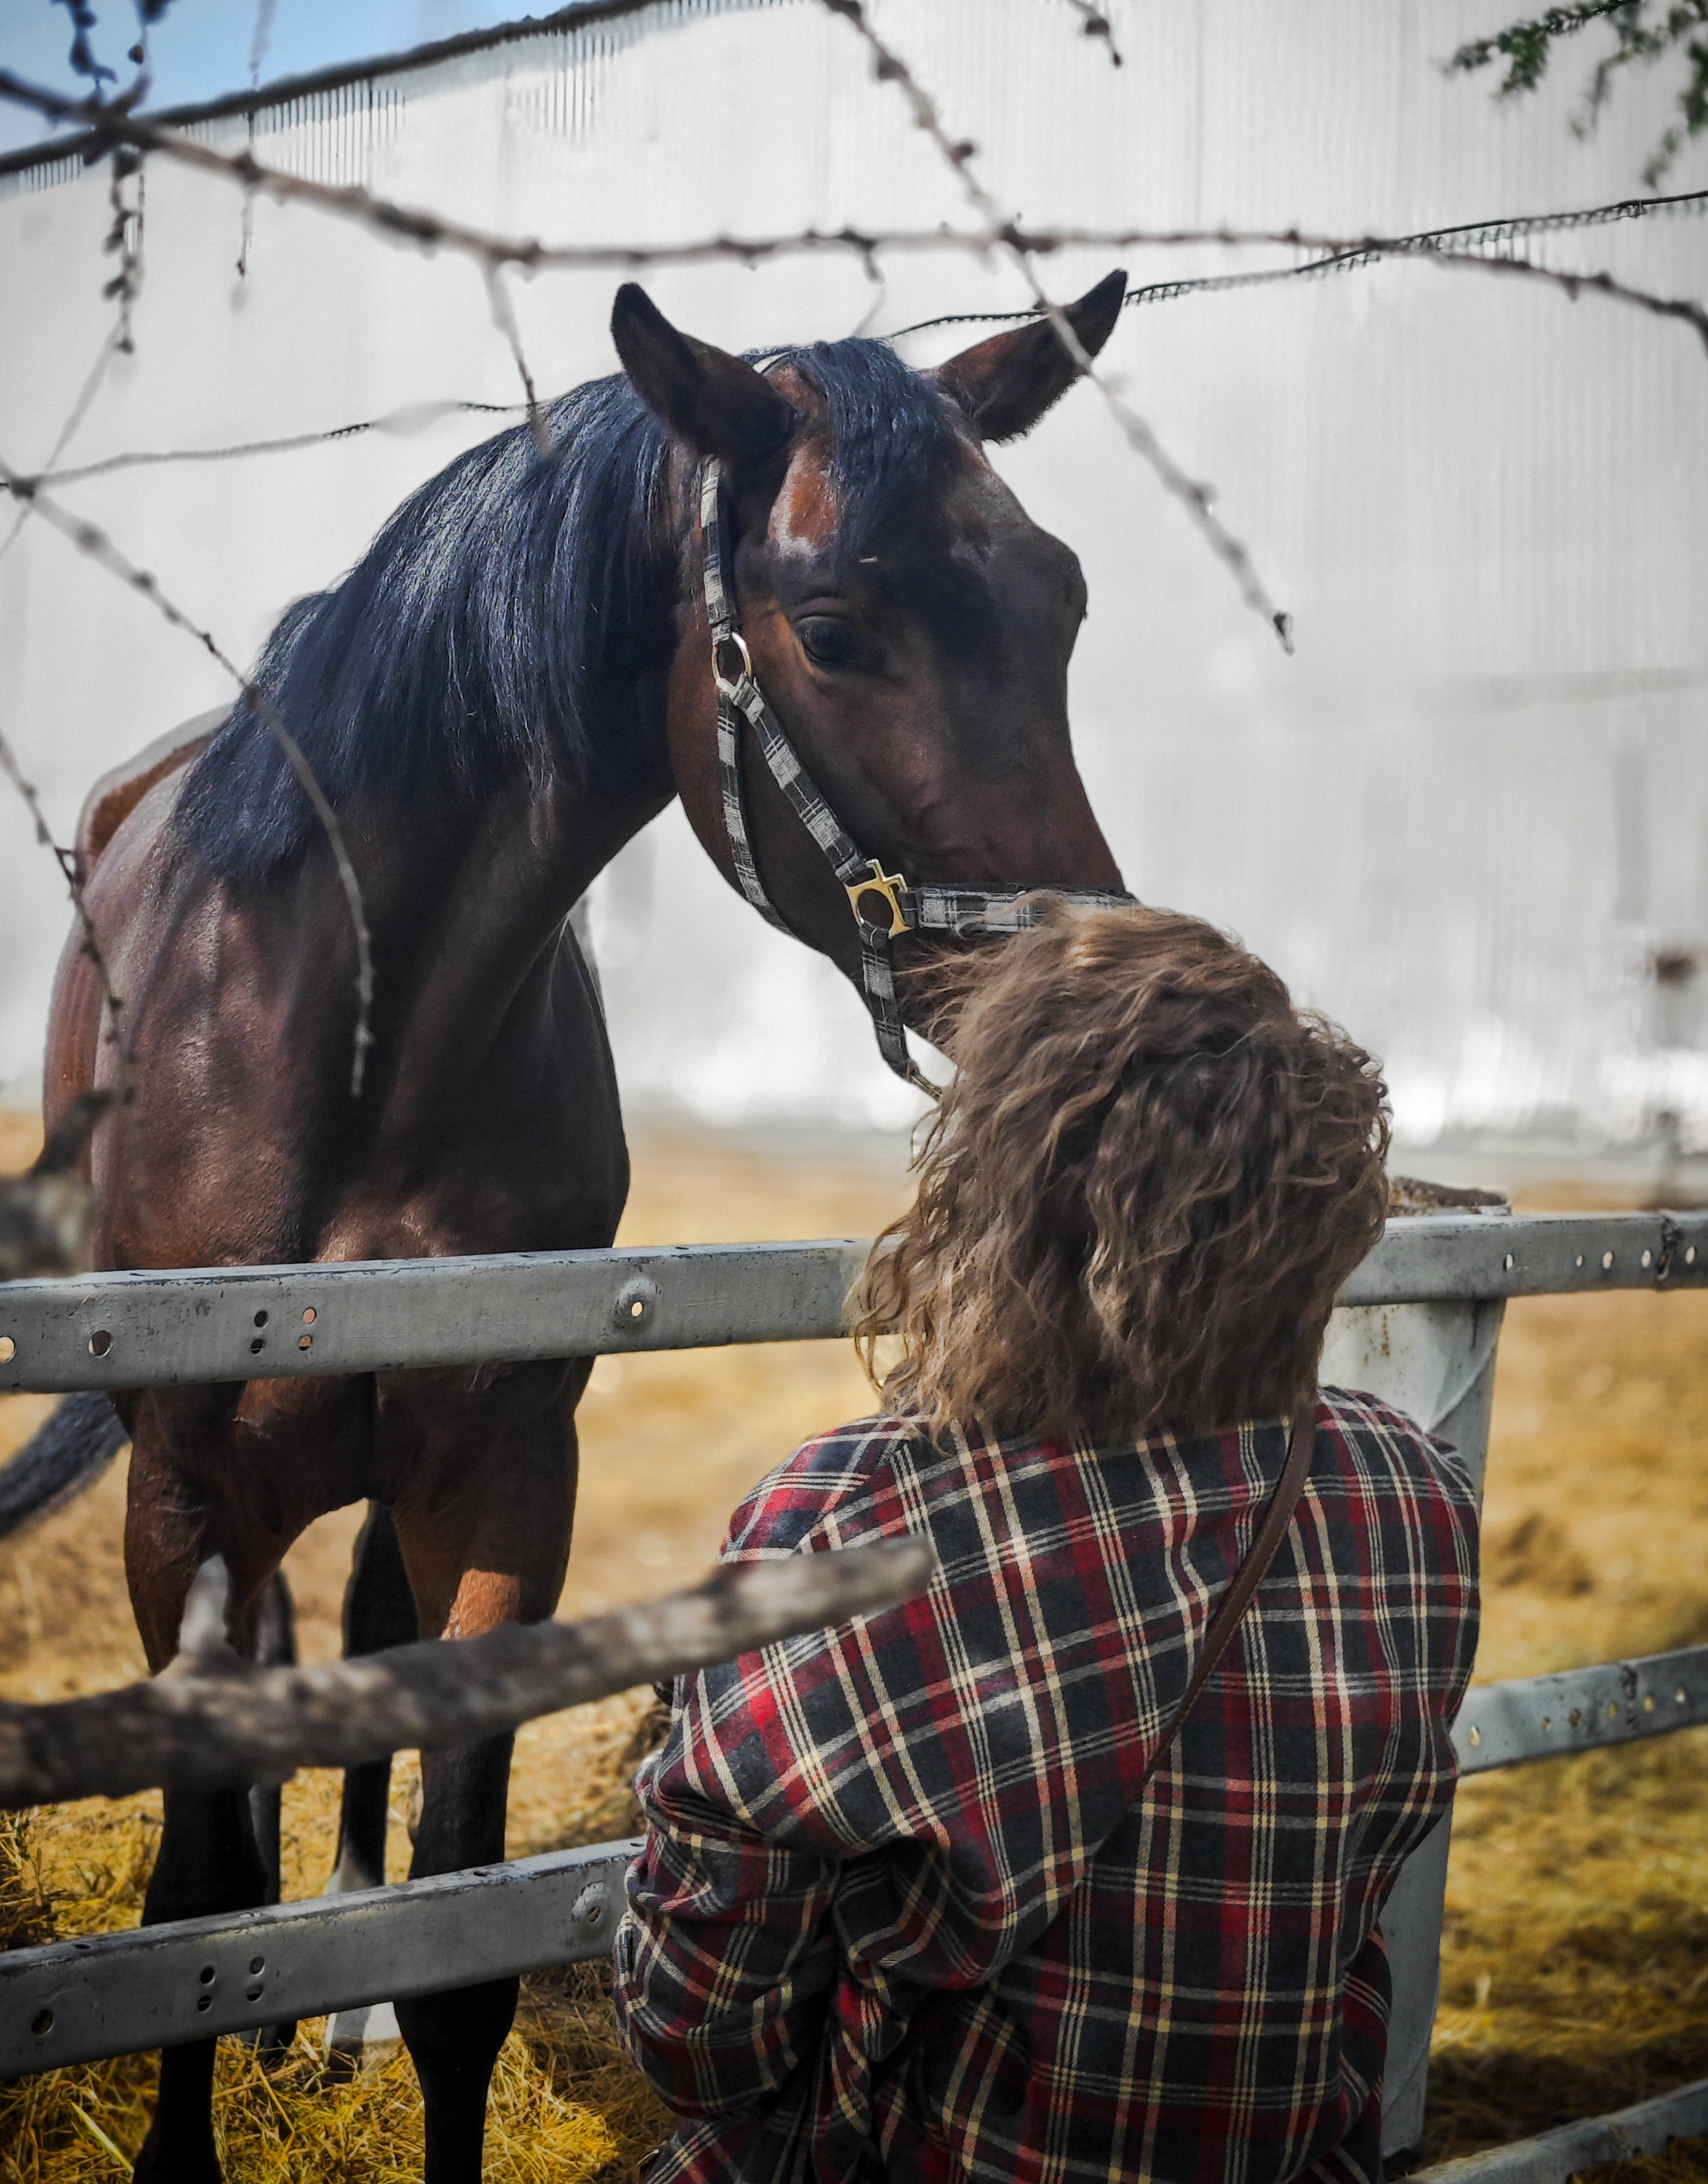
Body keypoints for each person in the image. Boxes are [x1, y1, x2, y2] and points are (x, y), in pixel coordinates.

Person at [612, 905, 1480, 2184]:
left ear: (1007, 1193)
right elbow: (1357, 1921)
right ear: (1319, 1202)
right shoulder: (1408, 1499)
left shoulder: (851, 1531)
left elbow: (696, 2035)